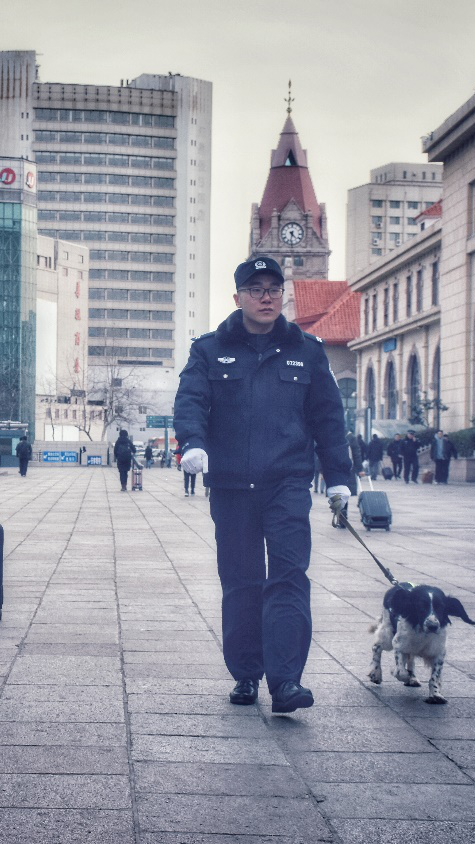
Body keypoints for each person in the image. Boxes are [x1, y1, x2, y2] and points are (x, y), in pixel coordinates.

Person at [174, 256, 351, 715]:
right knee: (241, 581)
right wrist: (192, 443)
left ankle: (287, 681)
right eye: (256, 289)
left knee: (290, 577)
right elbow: (191, 399)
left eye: (274, 288)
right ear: (238, 298)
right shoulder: (209, 350)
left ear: (284, 296)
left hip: (287, 484)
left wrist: (339, 479)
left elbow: (328, 419)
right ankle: (247, 674)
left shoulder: (307, 350)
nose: (267, 296)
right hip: (232, 486)